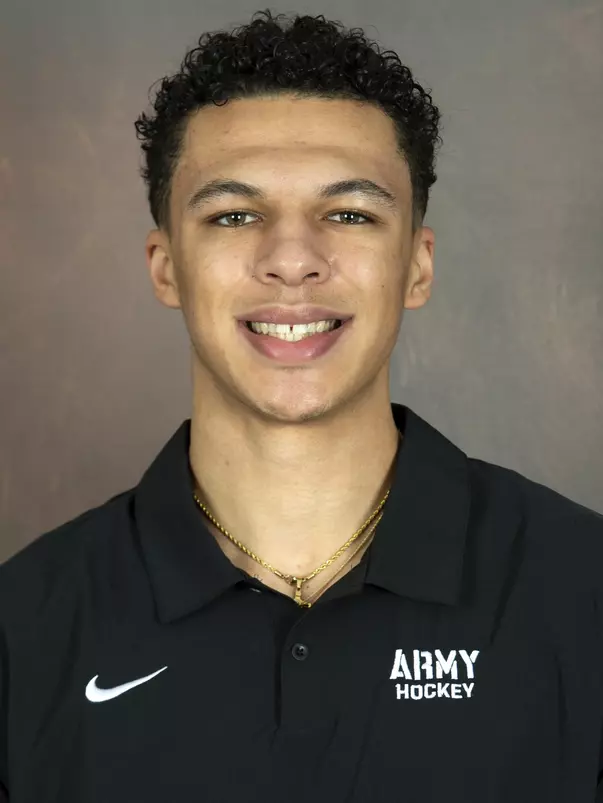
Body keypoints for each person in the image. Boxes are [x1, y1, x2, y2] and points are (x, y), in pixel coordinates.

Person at [0, 8, 601, 802]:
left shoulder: (582, 588)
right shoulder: (24, 627)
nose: (291, 259)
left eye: (348, 213)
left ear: (416, 266)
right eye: (233, 215)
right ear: (165, 267)